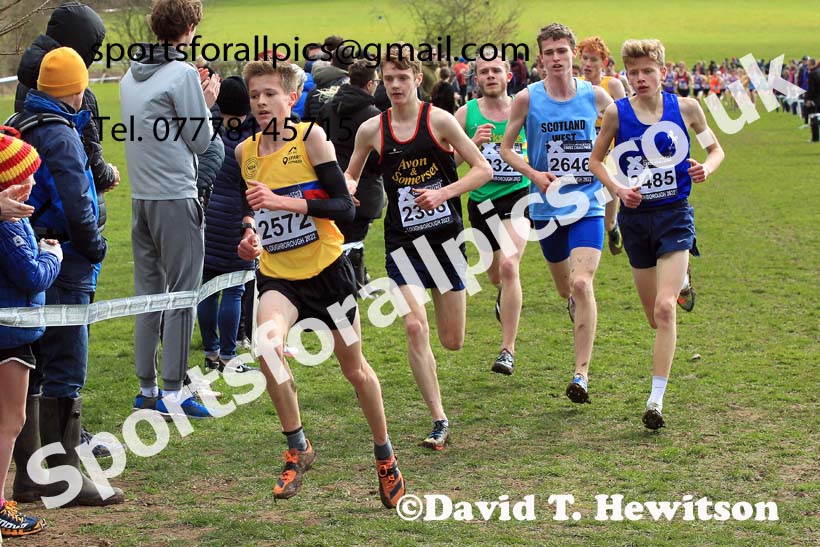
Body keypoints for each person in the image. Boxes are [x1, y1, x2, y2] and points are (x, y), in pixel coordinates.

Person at [234, 61, 406, 508]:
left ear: (291, 98)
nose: (260, 102)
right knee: (266, 347)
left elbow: (343, 210)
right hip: (279, 277)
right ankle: (298, 446)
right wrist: (250, 235)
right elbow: (253, 211)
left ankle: (384, 455)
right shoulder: (244, 153)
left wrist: (283, 202)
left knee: (355, 370)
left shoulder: (310, 137)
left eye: (269, 93)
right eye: (255, 95)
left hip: (329, 274)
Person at [344, 45, 492, 449]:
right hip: (402, 242)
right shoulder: (373, 130)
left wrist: (444, 193)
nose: (394, 85)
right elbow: (352, 174)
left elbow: (483, 168)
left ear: (416, 79)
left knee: (452, 340)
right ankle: (438, 418)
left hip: (445, 240)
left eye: (401, 78)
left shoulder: (440, 121)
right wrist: (348, 191)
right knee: (413, 324)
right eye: (388, 79)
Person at [589, 38, 724, 429]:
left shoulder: (686, 108)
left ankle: (656, 400)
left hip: (675, 216)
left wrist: (707, 168)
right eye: (633, 73)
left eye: (648, 71)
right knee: (654, 316)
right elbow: (597, 161)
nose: (640, 78)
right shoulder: (617, 113)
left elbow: (716, 150)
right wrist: (617, 189)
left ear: (663, 72)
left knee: (665, 310)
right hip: (635, 222)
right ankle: (680, 282)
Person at [14, 47, 122, 506]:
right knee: (65, 366)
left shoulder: (21, 121)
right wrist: (96, 245)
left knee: (33, 365)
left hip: (28, 255)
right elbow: (79, 204)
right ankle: (61, 479)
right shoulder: (59, 134)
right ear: (78, 90)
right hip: (66, 258)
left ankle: (30, 477)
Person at [500, 23, 613, 404]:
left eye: (562, 51)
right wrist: (534, 174)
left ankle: (581, 373)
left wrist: (608, 161)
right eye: (548, 53)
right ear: (540, 58)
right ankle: (572, 301)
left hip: (587, 203)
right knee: (566, 287)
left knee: (583, 285)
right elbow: (507, 148)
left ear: (573, 54)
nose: (556, 59)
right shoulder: (527, 99)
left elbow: (620, 129)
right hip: (546, 207)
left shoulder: (595, 95)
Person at [120, 0, 219, 419]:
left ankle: (146, 390)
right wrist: (207, 100)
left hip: (141, 198)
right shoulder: (181, 74)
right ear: (191, 27)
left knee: (148, 298)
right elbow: (201, 140)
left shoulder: (130, 72)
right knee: (181, 296)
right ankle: (175, 393)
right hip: (175, 197)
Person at [453, 50, 530, 375]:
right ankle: (502, 293)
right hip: (481, 202)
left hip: (518, 197)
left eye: (495, 71)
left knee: (511, 267)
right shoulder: (465, 113)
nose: (490, 76)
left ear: (507, 76)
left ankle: (507, 350)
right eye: (483, 72)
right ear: (477, 79)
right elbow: (449, 165)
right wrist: (471, 142)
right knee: (497, 275)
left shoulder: (524, 109)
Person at [0, 129, 56, 538]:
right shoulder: (10, 223)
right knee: (10, 421)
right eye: (28, 175)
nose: (34, 182)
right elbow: (32, 275)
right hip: (10, 336)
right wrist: (51, 254)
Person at [197, 76, 257, 374]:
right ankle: (229, 356)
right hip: (235, 218)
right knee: (234, 290)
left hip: (205, 217)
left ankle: (210, 352)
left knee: (207, 288)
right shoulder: (248, 145)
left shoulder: (205, 130)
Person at [319, 59, 385, 294]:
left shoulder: (327, 107)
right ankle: (353, 283)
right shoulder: (373, 115)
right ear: (369, 84)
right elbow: (380, 156)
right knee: (355, 236)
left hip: (331, 179)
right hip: (363, 183)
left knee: (341, 234)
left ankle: (356, 279)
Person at [579, 36, 627, 255]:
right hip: (584, 146)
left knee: (610, 183)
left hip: (611, 145)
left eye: (594, 60)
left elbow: (626, 114)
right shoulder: (576, 86)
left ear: (604, 63)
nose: (588, 64)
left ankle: (611, 224)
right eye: (585, 58)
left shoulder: (612, 84)